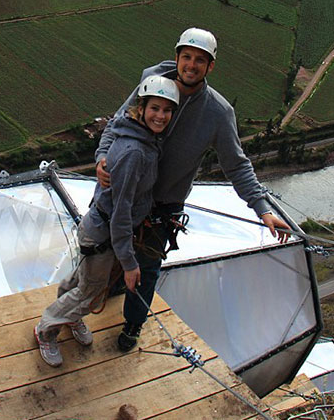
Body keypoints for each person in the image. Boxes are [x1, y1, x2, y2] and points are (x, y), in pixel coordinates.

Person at [95, 27, 292, 351]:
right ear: (177, 57)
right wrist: (103, 157)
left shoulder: (217, 113)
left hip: (162, 204)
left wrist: (263, 208)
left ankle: (132, 325)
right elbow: (119, 123)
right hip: (122, 188)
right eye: (186, 57)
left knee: (146, 268)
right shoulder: (153, 83)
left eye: (200, 60)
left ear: (210, 67)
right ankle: (106, 291)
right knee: (102, 250)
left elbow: (236, 164)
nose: (191, 65)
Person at [34, 75, 180, 367]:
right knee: (90, 292)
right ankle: (46, 330)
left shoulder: (141, 138)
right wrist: (128, 263)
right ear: (142, 108)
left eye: (167, 110)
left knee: (82, 279)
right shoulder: (135, 152)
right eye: (155, 108)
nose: (161, 116)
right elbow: (122, 211)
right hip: (104, 233)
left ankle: (69, 317)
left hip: (97, 229)